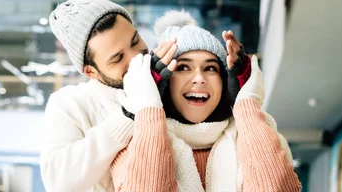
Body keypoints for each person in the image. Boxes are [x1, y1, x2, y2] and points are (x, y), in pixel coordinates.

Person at [41, 1, 248, 191]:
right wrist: (130, 113)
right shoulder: (70, 103)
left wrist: (235, 91)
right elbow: (58, 181)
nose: (136, 57)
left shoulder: (163, 74)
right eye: (118, 58)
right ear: (91, 72)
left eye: (134, 40)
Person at [109, 11, 302, 191]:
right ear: (164, 82)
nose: (199, 78)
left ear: (225, 83)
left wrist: (247, 103)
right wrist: (149, 109)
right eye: (183, 68)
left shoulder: (261, 135)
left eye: (210, 68)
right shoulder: (130, 146)